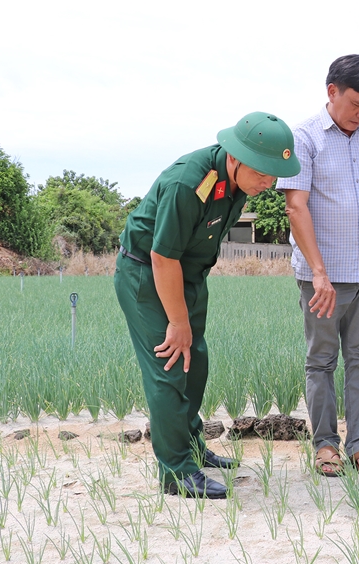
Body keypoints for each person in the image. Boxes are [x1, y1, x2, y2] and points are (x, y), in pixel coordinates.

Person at [114, 112, 300, 499]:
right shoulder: (190, 181)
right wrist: (177, 322)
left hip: (189, 275)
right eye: (263, 173)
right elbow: (162, 257)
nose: (268, 183)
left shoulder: (239, 184)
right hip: (148, 274)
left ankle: (193, 446)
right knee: (169, 369)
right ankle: (177, 471)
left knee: (195, 364)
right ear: (234, 157)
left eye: (273, 175)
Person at [277, 54, 359, 482]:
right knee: (322, 360)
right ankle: (325, 444)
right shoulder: (305, 138)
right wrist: (319, 274)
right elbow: (296, 206)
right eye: (356, 105)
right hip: (322, 278)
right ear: (332, 92)